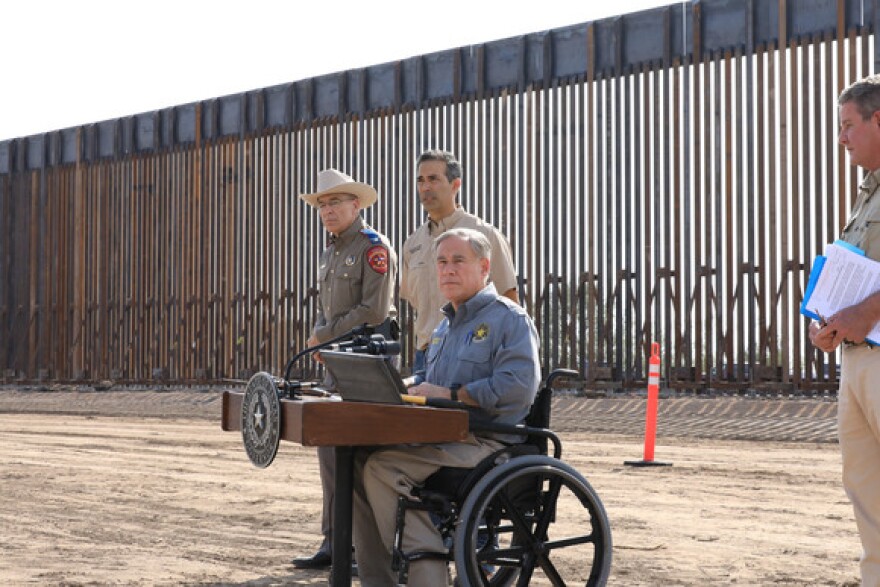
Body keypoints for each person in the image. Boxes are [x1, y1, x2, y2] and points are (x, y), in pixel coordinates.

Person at [352, 228, 541, 586]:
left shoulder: (510, 319)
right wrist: (397, 387)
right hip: (441, 437)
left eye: (458, 261)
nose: (447, 270)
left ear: (484, 267)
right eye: (441, 262)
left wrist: (453, 394)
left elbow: (517, 387)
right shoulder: (444, 327)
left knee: (381, 468)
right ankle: (379, 580)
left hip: (486, 441)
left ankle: (429, 571)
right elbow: (426, 380)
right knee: (357, 458)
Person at [292, 168, 398, 570]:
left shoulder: (373, 247)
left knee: (364, 453)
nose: (327, 210)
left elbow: (372, 310)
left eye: (335, 202)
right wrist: (325, 341)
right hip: (339, 357)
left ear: (357, 205)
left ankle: (366, 547)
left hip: (368, 361)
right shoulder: (331, 249)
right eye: (322, 204)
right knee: (330, 451)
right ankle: (334, 543)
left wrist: (324, 336)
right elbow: (332, 309)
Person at [810, 75, 880, 586]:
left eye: (848, 126)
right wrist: (831, 322)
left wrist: (868, 311)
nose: (842, 139)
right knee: (865, 486)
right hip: (856, 359)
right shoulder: (866, 195)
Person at [401, 149, 519, 374]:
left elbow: (509, 301)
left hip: (472, 356)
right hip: (426, 355)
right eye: (421, 181)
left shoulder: (485, 235)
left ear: (456, 185)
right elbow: (417, 301)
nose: (426, 187)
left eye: (434, 179)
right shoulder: (412, 244)